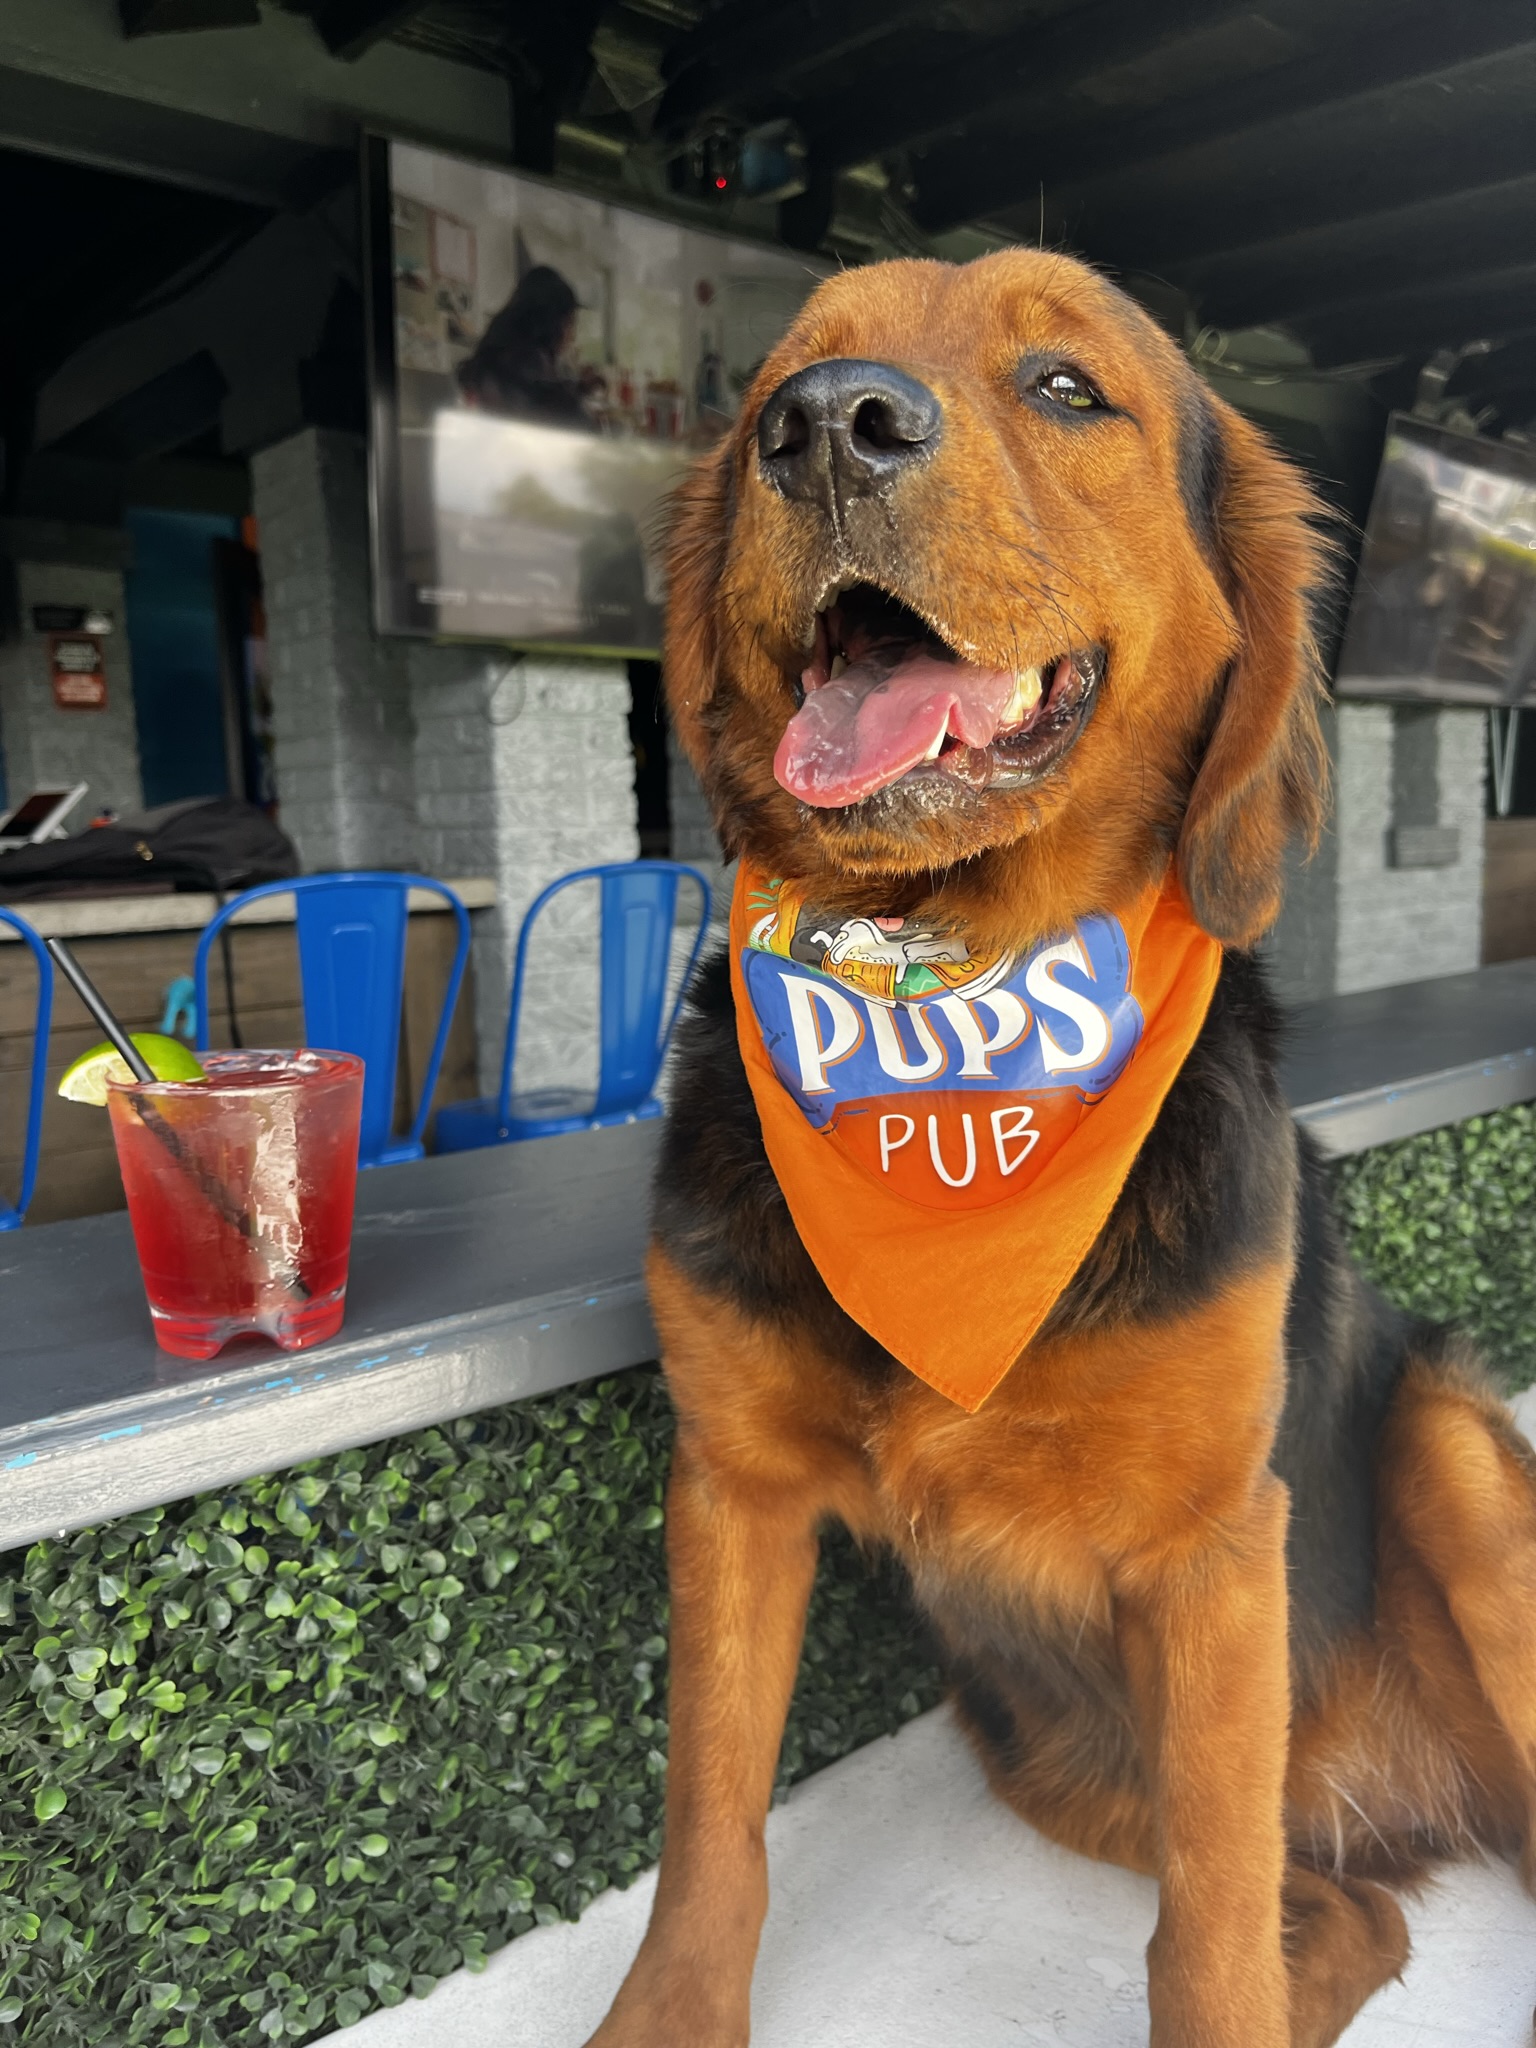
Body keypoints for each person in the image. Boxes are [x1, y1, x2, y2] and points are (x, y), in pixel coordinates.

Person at [455, 264, 599, 426]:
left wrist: (578, 389)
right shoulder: (529, 363)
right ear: (552, 323)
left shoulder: (496, 356)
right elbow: (550, 411)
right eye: (570, 323)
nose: (571, 335)